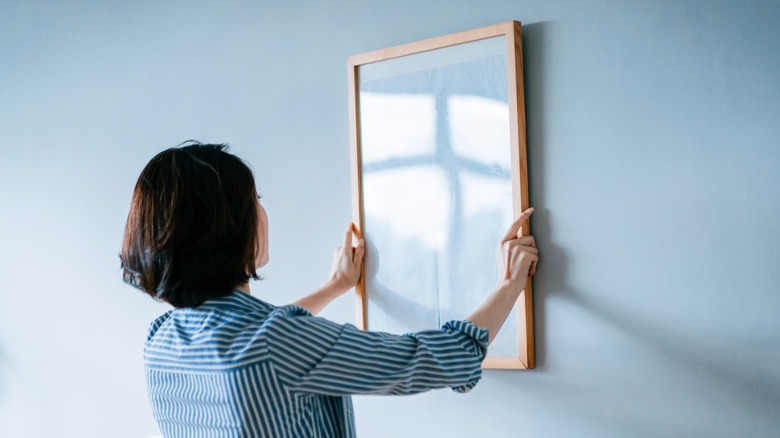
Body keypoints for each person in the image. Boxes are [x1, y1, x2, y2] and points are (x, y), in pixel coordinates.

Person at [120, 142, 538, 438]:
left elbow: (257, 339)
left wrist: (333, 286)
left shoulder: (161, 339)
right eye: (255, 199)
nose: (263, 212)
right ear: (227, 229)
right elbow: (435, 359)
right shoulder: (275, 343)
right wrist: (509, 284)